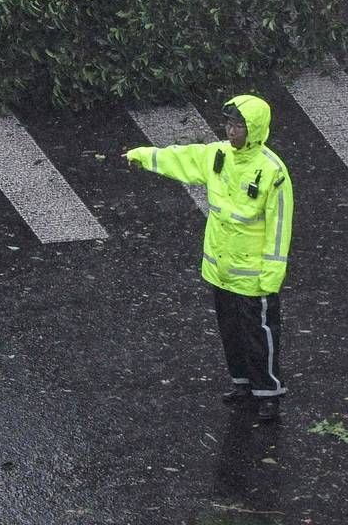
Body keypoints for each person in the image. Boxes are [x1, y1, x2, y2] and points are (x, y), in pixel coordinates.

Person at [125, 94, 293, 422]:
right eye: (229, 125)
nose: (231, 132)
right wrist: (143, 156)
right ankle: (244, 384)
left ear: (254, 129)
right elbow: (182, 159)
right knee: (230, 331)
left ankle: (268, 392)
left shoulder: (272, 172)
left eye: (239, 126)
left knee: (259, 335)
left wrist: (272, 275)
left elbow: (279, 227)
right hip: (221, 270)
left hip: (253, 274)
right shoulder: (218, 155)